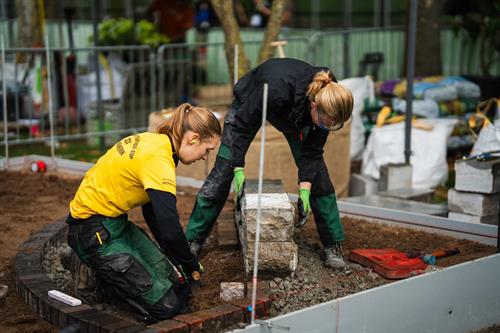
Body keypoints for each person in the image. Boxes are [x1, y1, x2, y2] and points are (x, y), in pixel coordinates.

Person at [186, 58, 353, 271]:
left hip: (295, 114)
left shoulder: (330, 94)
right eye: (326, 123)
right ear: (314, 105)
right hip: (250, 104)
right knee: (222, 172)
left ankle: (333, 245)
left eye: (334, 125)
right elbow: (241, 126)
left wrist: (304, 191)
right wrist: (238, 168)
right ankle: (192, 240)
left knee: (318, 175)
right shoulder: (274, 89)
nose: (328, 128)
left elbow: (312, 153)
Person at [66, 103, 221, 322]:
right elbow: (169, 226)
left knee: (177, 287)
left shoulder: (157, 143)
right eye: (207, 150)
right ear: (193, 138)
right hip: (93, 232)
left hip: (114, 223)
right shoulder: (158, 160)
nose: (205, 157)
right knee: (166, 309)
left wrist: (176, 260)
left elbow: (154, 215)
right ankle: (94, 273)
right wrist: (190, 263)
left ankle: (102, 268)